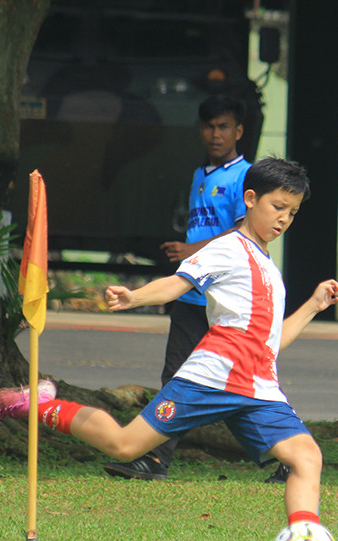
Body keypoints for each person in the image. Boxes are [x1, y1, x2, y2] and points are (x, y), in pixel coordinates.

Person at [0, 158, 338, 541]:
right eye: (277, 207)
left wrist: (312, 306)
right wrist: (135, 297)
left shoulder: (270, 269)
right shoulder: (227, 248)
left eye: (292, 213)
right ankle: (40, 404)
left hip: (259, 389)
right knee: (123, 445)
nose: (284, 219)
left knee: (306, 457)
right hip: (211, 378)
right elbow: (177, 283)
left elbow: (271, 344)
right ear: (250, 199)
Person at [104, 94, 287, 484]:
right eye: (208, 127)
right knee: (176, 376)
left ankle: (286, 455)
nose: (215, 135)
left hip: (231, 302)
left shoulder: (247, 177)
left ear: (239, 131)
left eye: (224, 127)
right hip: (193, 296)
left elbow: (242, 233)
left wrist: (191, 250)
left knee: (252, 381)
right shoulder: (200, 175)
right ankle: (154, 458)